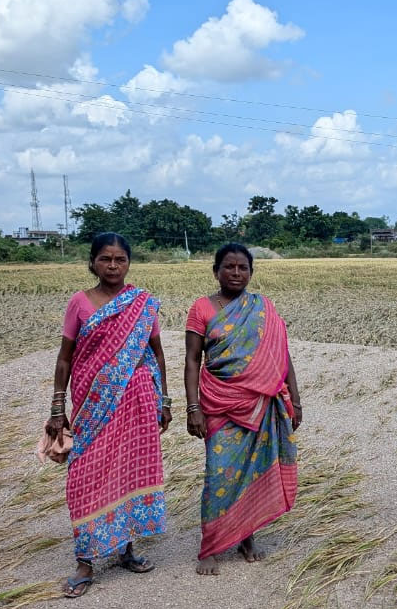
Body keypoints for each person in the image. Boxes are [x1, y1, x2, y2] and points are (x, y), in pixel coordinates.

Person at [47, 232, 171, 598]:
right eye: (105, 259)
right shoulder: (80, 303)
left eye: (120, 259)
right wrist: (57, 409)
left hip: (137, 403)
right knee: (85, 476)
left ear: (128, 262)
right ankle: (85, 561)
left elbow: (157, 353)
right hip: (92, 407)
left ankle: (125, 549)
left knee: (128, 473)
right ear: (93, 262)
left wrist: (164, 400)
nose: (113, 266)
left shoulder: (142, 303)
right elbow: (66, 357)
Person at [184, 243, 301, 575]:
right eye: (229, 267)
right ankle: (210, 546)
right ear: (216, 271)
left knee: (255, 468)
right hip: (219, 403)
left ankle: (246, 537)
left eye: (243, 268)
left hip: (263, 403)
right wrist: (193, 408)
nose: (236, 273)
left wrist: (295, 397)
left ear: (251, 272)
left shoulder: (263, 307)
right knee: (219, 473)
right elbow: (193, 361)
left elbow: (281, 355)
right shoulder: (202, 308)